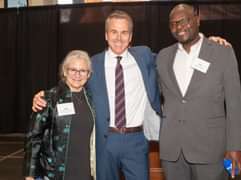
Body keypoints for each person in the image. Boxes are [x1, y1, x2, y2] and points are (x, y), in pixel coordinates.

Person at [32, 10, 230, 180]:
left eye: (124, 32)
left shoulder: (144, 57)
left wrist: (205, 43)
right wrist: (46, 95)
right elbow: (72, 82)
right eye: (114, 32)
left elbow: (176, 56)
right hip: (105, 140)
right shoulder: (93, 64)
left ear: (131, 36)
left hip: (136, 141)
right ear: (106, 35)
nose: (119, 38)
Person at [156, 4, 241, 180]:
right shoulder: (163, 56)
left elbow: (235, 104)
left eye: (184, 21)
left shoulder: (222, 52)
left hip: (210, 150)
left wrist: (236, 147)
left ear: (197, 19)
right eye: (173, 24)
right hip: (172, 152)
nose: (179, 27)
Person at [24, 50, 96, 180]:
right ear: (65, 71)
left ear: (88, 74)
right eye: (73, 69)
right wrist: (30, 175)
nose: (77, 75)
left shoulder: (92, 100)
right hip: (54, 173)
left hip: (84, 171)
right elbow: (34, 138)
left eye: (82, 71)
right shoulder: (48, 98)